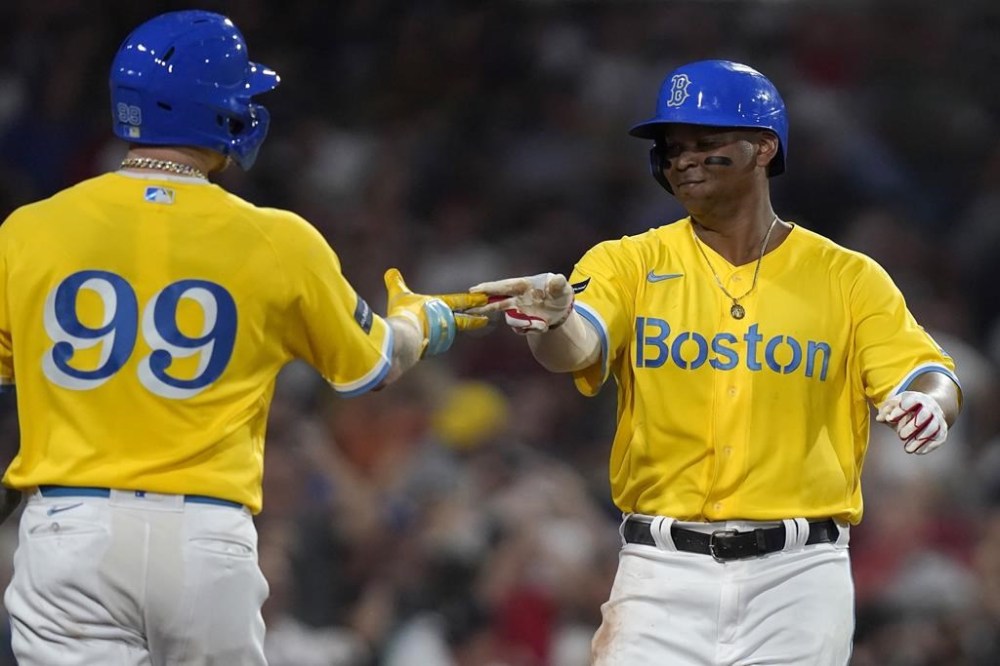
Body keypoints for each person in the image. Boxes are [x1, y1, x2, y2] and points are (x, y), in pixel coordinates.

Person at [0, 10, 479, 665]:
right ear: (213, 108)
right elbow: (372, 366)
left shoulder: (29, 232)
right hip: (205, 539)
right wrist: (423, 323)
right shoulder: (277, 239)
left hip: (71, 528)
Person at [461, 59, 963, 665]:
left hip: (799, 578)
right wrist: (555, 322)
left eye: (707, 143)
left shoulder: (846, 277)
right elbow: (580, 346)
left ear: (762, 148)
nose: (684, 160)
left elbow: (928, 372)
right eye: (672, 148)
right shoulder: (628, 262)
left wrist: (928, 403)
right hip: (659, 573)